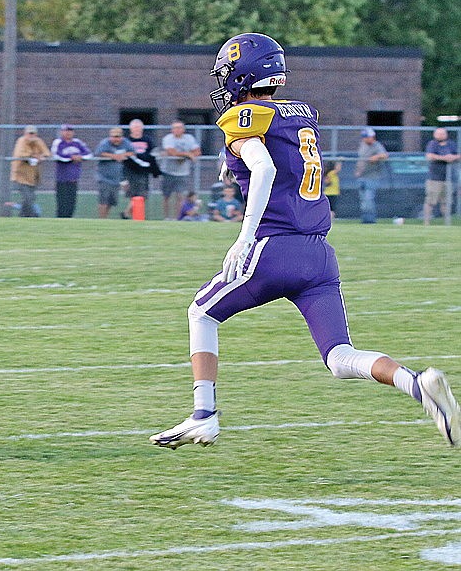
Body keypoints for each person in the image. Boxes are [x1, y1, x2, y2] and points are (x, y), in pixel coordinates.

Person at [150, 32, 459, 450]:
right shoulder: (300, 113)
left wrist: (243, 237)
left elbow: (264, 169)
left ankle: (204, 415)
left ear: (241, 75)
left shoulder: (242, 116)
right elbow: (280, 158)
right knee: (339, 357)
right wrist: (232, 166)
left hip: (275, 248)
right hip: (319, 255)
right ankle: (418, 384)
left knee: (201, 314)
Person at [160, 120, 201, 221]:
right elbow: (171, 151)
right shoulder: (168, 138)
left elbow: (197, 151)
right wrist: (187, 154)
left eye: (179, 127)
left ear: (183, 129)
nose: (177, 130)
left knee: (180, 196)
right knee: (166, 196)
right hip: (168, 171)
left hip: (183, 172)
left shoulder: (189, 138)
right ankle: (166, 218)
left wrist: (186, 154)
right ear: (172, 129)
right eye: (175, 128)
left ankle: (177, 218)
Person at [120, 119, 159, 219]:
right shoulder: (127, 141)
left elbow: (153, 153)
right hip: (131, 170)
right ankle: (130, 214)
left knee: (143, 194)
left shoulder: (147, 140)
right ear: (131, 129)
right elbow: (123, 154)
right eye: (135, 127)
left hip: (143, 170)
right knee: (135, 194)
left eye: (139, 127)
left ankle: (127, 213)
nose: (137, 130)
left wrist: (154, 169)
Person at [51, 124, 92, 218]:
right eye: (66, 130)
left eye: (70, 130)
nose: (68, 132)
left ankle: (69, 221)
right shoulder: (58, 142)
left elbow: (89, 154)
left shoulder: (77, 142)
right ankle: (60, 222)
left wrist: (80, 157)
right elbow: (56, 155)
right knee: (62, 204)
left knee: (71, 204)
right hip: (62, 179)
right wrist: (71, 157)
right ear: (61, 132)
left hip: (74, 179)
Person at [9, 125, 51, 217]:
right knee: (27, 197)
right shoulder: (21, 141)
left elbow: (47, 153)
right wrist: (32, 155)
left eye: (33, 133)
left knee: (30, 198)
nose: (31, 136)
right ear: (25, 134)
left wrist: (42, 157)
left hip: (33, 177)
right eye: (29, 133)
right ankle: (33, 216)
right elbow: (19, 154)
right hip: (21, 175)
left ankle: (22, 216)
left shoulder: (38, 141)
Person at [93, 127, 133, 219]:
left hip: (116, 178)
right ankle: (101, 220)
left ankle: (105, 219)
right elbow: (98, 153)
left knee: (111, 201)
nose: (116, 139)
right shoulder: (105, 143)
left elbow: (132, 152)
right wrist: (114, 156)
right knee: (103, 201)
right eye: (114, 137)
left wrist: (123, 155)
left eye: (118, 137)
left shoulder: (125, 143)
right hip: (104, 177)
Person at [423, 127, 459, 226]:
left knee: (446, 202)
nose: (441, 136)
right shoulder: (432, 144)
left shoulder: (451, 144)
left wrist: (453, 157)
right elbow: (429, 156)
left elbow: (457, 155)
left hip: (448, 178)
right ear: (435, 135)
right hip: (435, 178)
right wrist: (444, 158)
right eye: (438, 134)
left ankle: (447, 223)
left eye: (443, 134)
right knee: (431, 201)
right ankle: (426, 223)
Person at [354, 127, 388, 224]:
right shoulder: (362, 145)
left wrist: (376, 157)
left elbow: (385, 155)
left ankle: (370, 220)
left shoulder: (376, 145)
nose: (364, 139)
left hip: (372, 177)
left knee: (368, 199)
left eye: (366, 137)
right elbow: (361, 159)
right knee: (363, 200)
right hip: (361, 177)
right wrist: (357, 171)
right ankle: (365, 220)